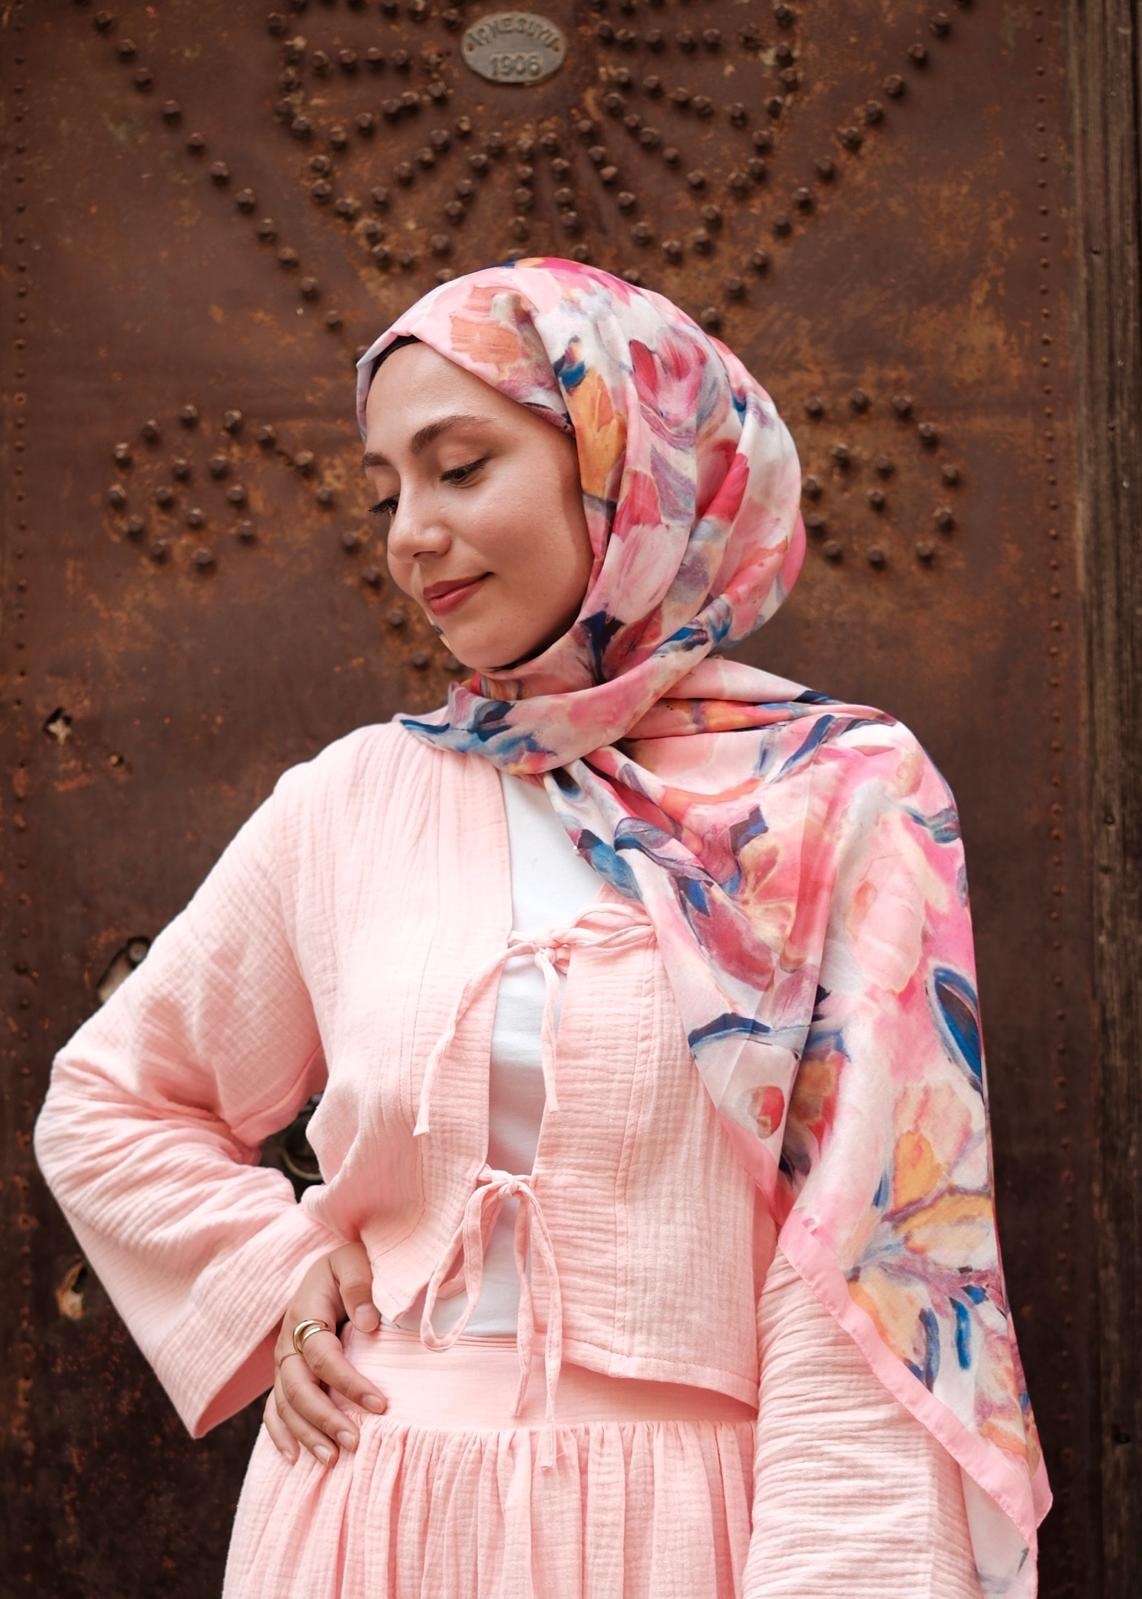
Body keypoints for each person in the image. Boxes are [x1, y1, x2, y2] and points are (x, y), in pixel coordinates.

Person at [34, 257, 1050, 1598]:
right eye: (387, 491)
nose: (410, 534)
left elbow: (872, 1273)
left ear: (627, 465)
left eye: (459, 468)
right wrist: (278, 1271)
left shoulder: (838, 799)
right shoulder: (354, 801)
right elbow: (111, 1104)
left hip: (679, 1536)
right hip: (358, 1520)